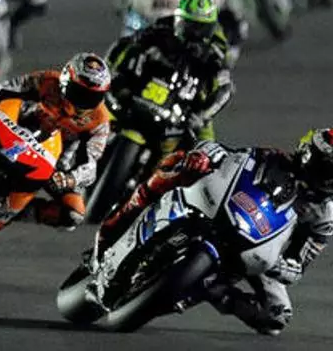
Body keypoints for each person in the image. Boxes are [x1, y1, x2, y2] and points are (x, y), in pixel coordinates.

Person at [97, 130, 333, 335]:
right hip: (229, 212)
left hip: (262, 250)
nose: (328, 178)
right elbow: (232, 157)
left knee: (276, 317)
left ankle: (212, 291)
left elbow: (299, 264)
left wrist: (281, 266)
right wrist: (209, 154)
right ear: (309, 153)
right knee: (179, 166)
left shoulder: (325, 216)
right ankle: (138, 210)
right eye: (327, 168)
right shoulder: (273, 157)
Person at [0, 52, 113, 228]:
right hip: (17, 129)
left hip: (52, 164)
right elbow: (6, 87)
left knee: (74, 213)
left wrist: (70, 178)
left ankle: (14, 213)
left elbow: (90, 164)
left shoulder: (100, 121)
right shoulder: (48, 80)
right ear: (65, 80)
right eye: (78, 92)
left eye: (91, 97)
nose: (82, 102)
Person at [107, 0, 233, 141]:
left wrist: (203, 116)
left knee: (205, 144)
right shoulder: (161, 28)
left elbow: (225, 88)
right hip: (145, 87)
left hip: (185, 100)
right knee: (96, 106)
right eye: (189, 25)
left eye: (201, 28)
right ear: (178, 19)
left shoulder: (216, 50)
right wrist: (112, 72)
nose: (194, 33)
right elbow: (126, 44)